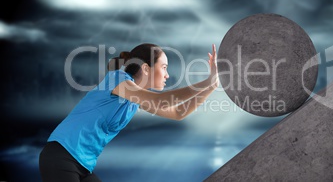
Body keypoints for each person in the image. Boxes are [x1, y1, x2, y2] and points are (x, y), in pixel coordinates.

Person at [39, 43, 219, 182]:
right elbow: (161, 100)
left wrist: (211, 86)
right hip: (61, 155)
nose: (167, 75)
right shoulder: (117, 78)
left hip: (83, 165)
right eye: (164, 67)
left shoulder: (134, 100)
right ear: (146, 68)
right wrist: (205, 82)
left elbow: (179, 112)